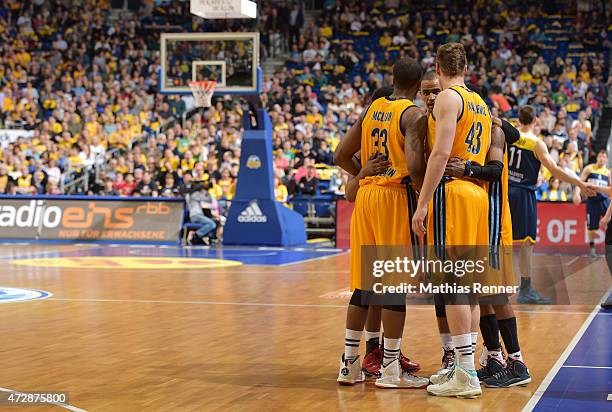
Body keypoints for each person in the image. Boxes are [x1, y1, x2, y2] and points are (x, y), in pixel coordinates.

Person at [334, 59, 428, 388]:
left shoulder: (374, 108)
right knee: (395, 286)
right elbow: (415, 168)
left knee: (364, 285)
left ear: (393, 78)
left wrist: (363, 172)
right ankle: (390, 369)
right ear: (419, 83)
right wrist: (425, 197)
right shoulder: (412, 115)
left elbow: (340, 154)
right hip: (393, 198)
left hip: (366, 196)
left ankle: (348, 366)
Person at [413, 42, 491, 398]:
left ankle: (465, 374)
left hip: (454, 192)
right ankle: (467, 367)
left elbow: (442, 152)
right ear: (466, 66)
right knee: (469, 285)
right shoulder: (481, 103)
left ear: (439, 68)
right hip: (477, 195)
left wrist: (423, 202)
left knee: (452, 284)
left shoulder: (448, 98)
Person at [508, 106, 595, 304]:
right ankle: (526, 288)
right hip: (523, 194)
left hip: (504, 190)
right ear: (536, 120)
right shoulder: (537, 144)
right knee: (527, 244)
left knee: (498, 240)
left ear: (518, 118)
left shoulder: (508, 134)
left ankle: (490, 285)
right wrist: (580, 183)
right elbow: (555, 170)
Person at [575, 150, 610, 257]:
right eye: (600, 156)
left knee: (610, 222)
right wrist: (577, 194)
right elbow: (579, 182)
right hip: (592, 201)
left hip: (604, 201)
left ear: (607, 159)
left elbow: (611, 189)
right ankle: (592, 249)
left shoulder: (608, 172)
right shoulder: (589, 168)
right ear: (597, 157)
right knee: (591, 227)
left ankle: (608, 248)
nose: (602, 158)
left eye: (604, 157)